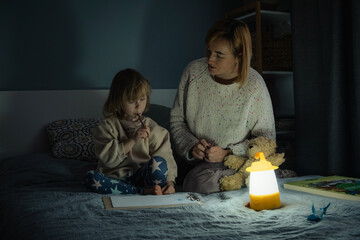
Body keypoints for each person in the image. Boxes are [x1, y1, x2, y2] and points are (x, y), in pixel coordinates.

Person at [170, 18, 276, 194]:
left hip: (234, 163)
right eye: (208, 50)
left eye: (219, 55)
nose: (210, 59)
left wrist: (228, 153)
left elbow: (267, 140)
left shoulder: (255, 85)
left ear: (239, 56)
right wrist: (191, 146)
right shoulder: (193, 72)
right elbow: (177, 120)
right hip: (192, 163)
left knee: (199, 184)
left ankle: (252, 179)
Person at [85, 68, 177, 195]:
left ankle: (150, 189)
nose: (138, 106)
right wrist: (133, 140)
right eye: (131, 101)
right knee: (91, 177)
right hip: (115, 178)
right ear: (118, 101)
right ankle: (141, 192)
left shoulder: (152, 127)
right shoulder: (107, 126)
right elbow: (108, 159)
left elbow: (165, 156)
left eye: (142, 99)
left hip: (142, 176)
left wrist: (170, 183)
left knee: (159, 163)